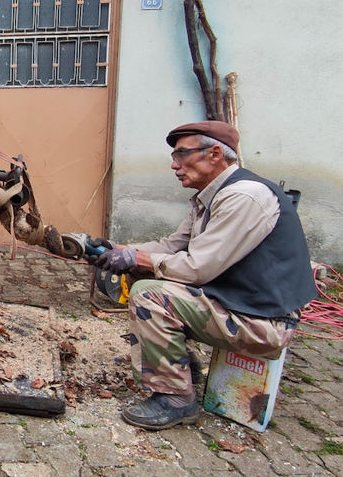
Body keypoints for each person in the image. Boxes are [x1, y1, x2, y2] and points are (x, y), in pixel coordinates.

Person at [90, 121, 317, 430]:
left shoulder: (244, 198)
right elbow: (171, 246)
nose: (174, 165)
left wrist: (137, 257)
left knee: (149, 295)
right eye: (174, 156)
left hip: (264, 322)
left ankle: (175, 400)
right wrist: (117, 250)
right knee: (139, 269)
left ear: (214, 154)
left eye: (183, 154)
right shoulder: (210, 196)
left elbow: (198, 267)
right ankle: (183, 367)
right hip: (239, 303)